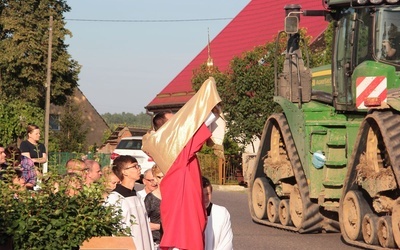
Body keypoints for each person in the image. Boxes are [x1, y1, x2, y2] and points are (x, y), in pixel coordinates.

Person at [143, 77, 225, 250]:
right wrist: (209, 105)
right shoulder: (174, 150)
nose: (181, 124)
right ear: (166, 129)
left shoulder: (171, 148)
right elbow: (195, 134)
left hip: (184, 213)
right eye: (175, 122)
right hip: (183, 221)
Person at [106, 155, 154, 250]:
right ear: (124, 172)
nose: (138, 169)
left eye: (138, 166)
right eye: (134, 166)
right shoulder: (115, 198)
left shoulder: (137, 196)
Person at [202, 176, 233, 250]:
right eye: (202, 195)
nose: (205, 198)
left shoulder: (221, 213)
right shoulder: (186, 215)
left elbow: (226, 243)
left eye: (208, 194)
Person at [144, 165, 164, 248]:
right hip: (156, 242)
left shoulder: (176, 195)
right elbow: (142, 222)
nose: (163, 180)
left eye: (164, 176)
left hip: (174, 241)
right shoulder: (150, 198)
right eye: (159, 177)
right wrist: (160, 226)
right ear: (155, 178)